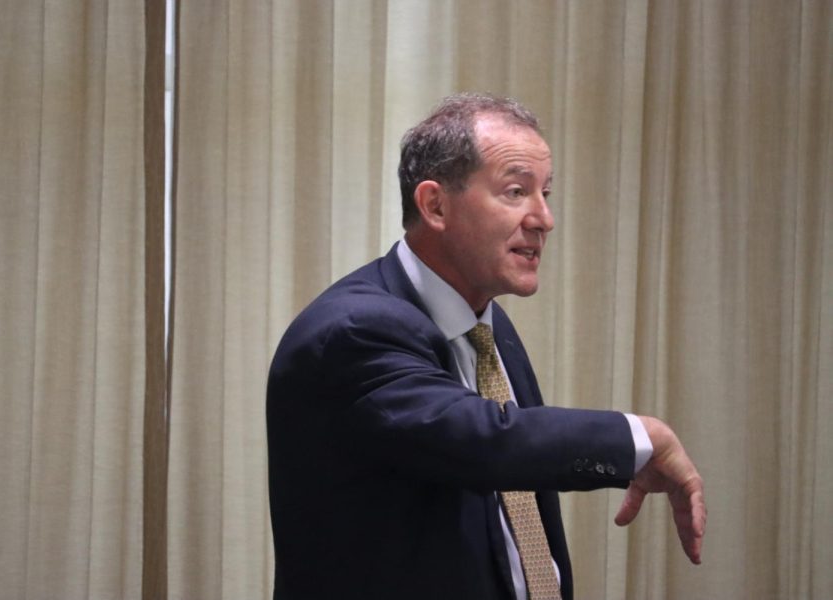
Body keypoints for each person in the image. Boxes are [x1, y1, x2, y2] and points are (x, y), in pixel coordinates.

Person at [266, 93, 705, 600]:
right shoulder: (353, 329)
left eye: (546, 193)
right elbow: (485, 442)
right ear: (435, 205)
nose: (544, 219)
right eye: (516, 191)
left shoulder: (490, 328)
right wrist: (639, 438)